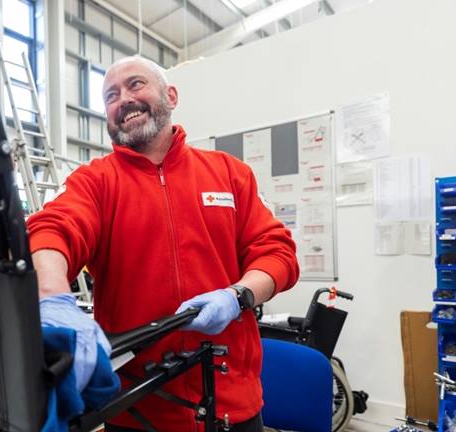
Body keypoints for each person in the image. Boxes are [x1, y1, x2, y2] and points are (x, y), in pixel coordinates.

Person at [29, 55, 299, 432]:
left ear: (170, 95)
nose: (123, 98)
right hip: (136, 410)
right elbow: (52, 229)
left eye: (135, 84)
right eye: (111, 95)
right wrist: (52, 298)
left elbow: (277, 252)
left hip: (230, 406)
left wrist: (239, 296)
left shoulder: (229, 174)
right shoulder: (95, 182)